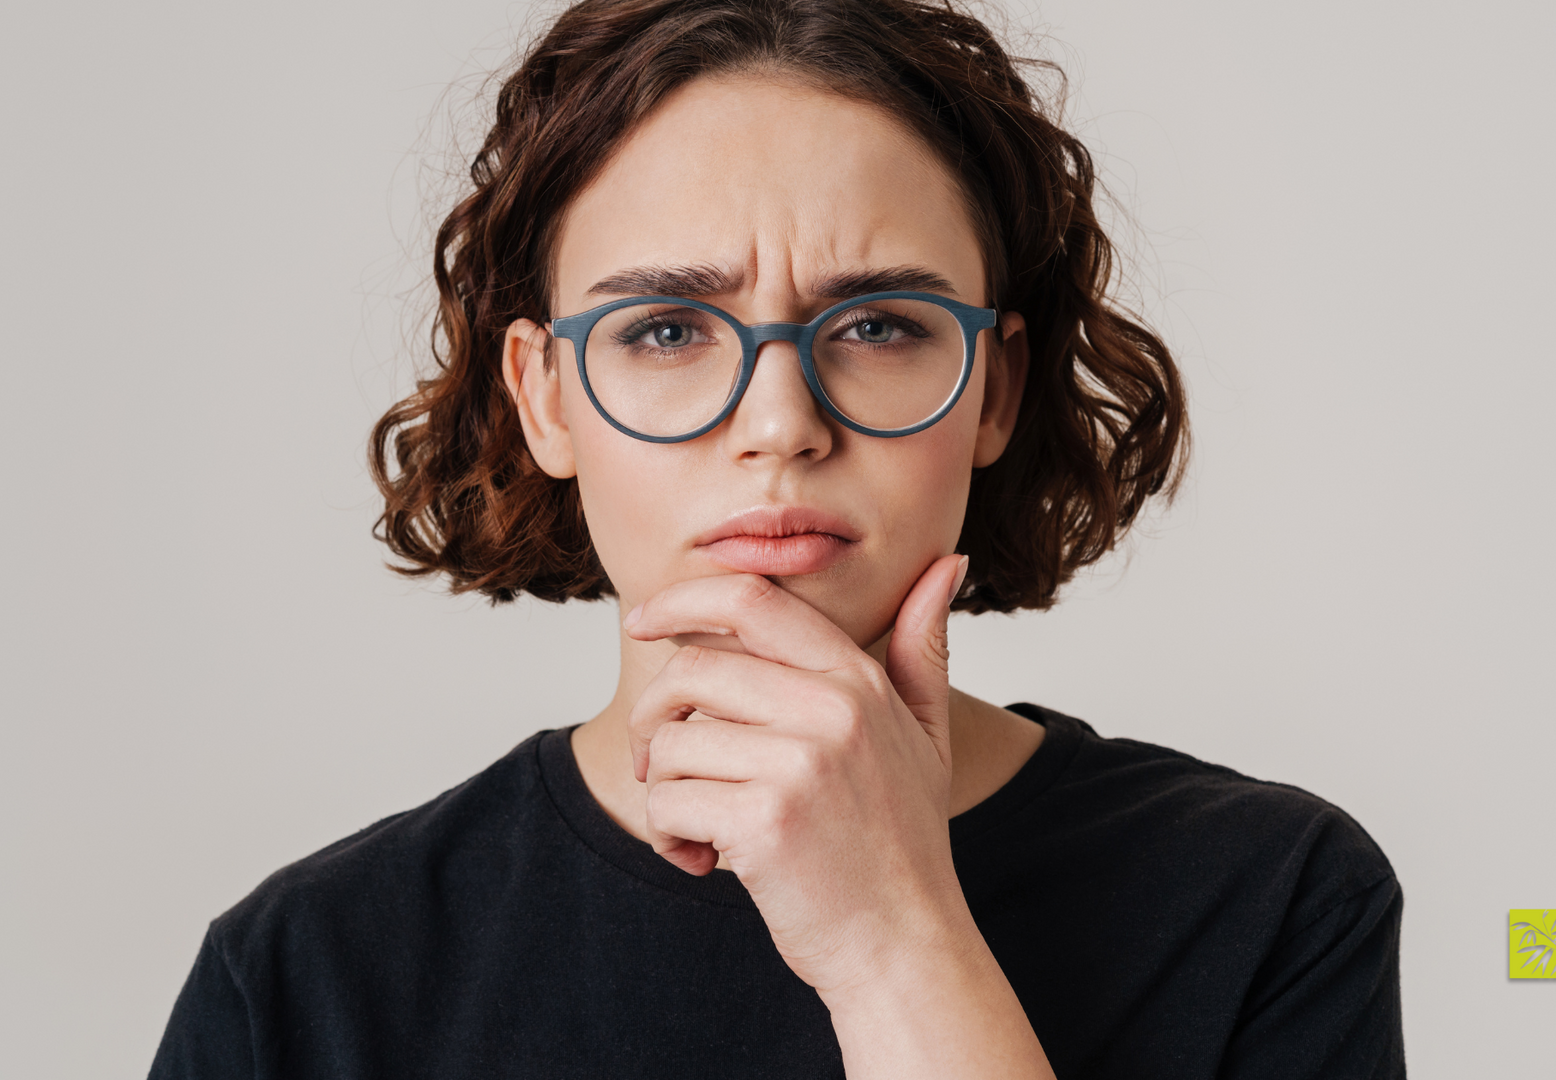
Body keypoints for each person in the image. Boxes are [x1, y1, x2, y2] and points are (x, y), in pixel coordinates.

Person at [149, 1, 1404, 1076]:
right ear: (544, 397)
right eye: (663, 331)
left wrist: (892, 945)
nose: (780, 423)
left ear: (996, 391)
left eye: (876, 326)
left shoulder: (1271, 895)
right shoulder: (303, 979)